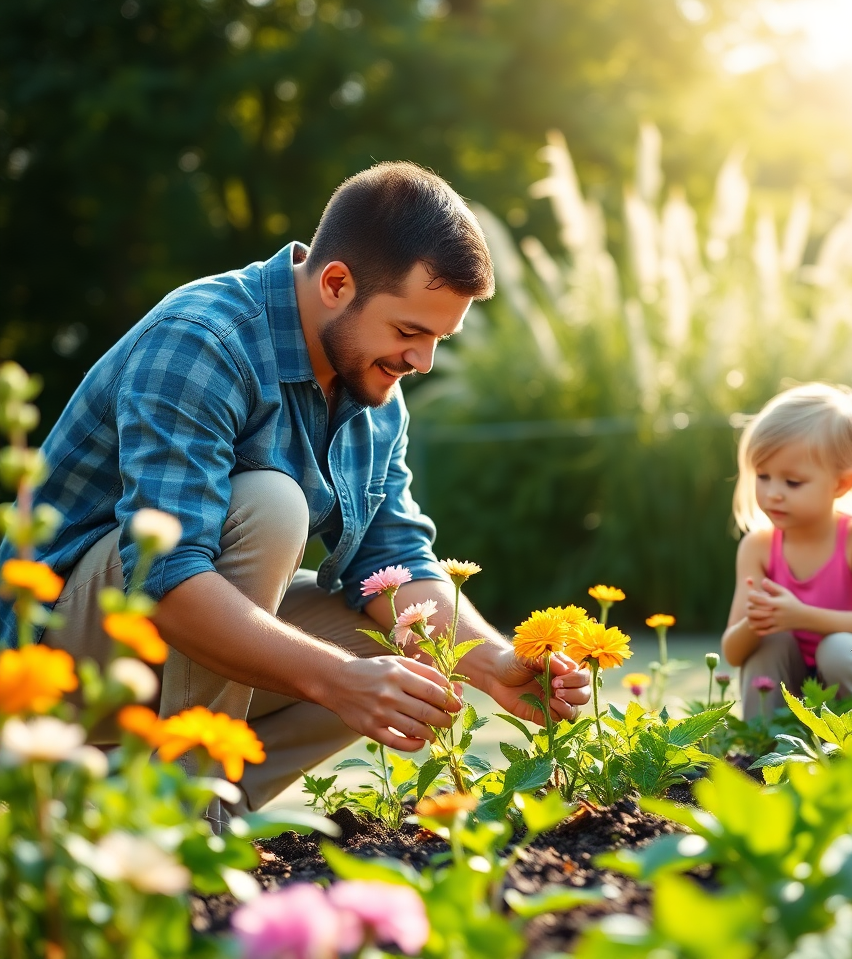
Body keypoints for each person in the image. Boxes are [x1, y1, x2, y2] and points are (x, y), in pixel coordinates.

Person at [0, 161, 590, 826]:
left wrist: (496, 662)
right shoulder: (204, 340)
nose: (422, 363)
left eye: (437, 339)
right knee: (269, 506)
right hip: (41, 651)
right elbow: (163, 574)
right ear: (336, 283)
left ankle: (141, 805)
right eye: (408, 332)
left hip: (144, 660)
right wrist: (337, 681)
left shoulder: (372, 390)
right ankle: (191, 819)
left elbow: (391, 563)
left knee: (403, 639)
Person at [720, 382, 852, 722]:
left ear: (841, 483)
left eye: (792, 482)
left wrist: (802, 616)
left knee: (837, 649)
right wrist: (759, 620)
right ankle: (761, 753)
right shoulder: (758, 547)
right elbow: (733, 653)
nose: (773, 493)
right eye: (763, 476)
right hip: (798, 700)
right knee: (769, 645)